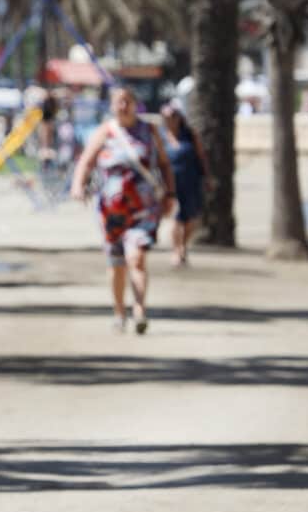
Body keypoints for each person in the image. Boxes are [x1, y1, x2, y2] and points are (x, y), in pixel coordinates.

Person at [70, 86, 176, 335]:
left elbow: (163, 164)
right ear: (111, 106)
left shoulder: (149, 131)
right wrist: (78, 185)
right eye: (118, 102)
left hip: (143, 208)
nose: (122, 106)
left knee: (136, 257)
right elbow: (85, 161)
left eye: (127, 101)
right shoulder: (105, 132)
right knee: (116, 262)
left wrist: (170, 194)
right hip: (111, 209)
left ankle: (140, 310)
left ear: (135, 104)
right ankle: (119, 312)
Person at [159, 102, 210, 268]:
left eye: (173, 116)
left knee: (191, 218)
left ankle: (184, 245)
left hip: (190, 180)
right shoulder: (160, 137)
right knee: (176, 217)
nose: (170, 120)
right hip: (170, 183)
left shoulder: (189, 135)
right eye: (166, 117)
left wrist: (207, 177)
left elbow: (201, 156)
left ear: (179, 117)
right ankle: (176, 250)